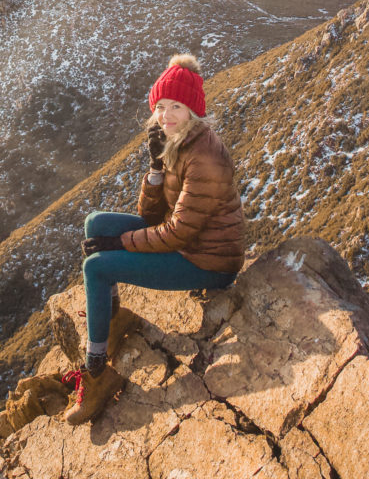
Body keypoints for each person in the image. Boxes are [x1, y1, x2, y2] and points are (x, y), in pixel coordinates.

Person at [63, 53, 246, 425]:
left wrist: (122, 244)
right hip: (186, 242)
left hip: (207, 262)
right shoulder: (179, 142)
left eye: (176, 106)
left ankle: (96, 373)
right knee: (95, 223)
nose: (166, 116)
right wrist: (156, 169)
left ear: (193, 109)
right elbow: (151, 216)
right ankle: (110, 319)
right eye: (161, 107)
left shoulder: (204, 156)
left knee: (96, 267)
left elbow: (177, 231)